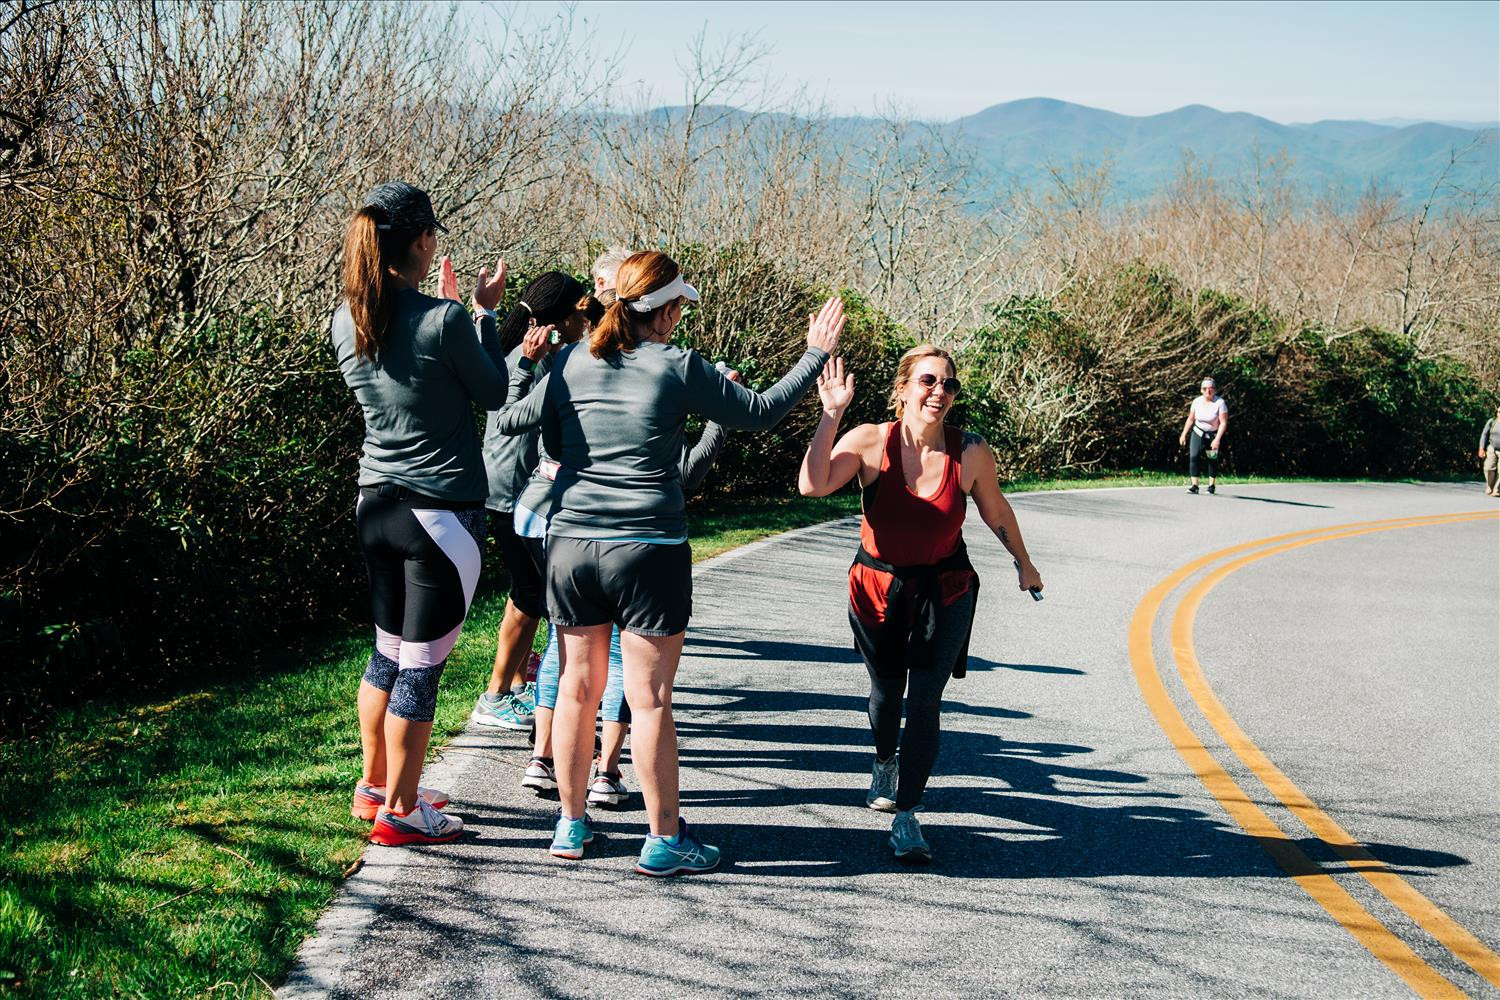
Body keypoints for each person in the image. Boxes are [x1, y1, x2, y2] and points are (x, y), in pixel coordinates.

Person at [507, 250, 842, 874]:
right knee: (651, 696)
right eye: (679, 305)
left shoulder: (571, 361)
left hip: (572, 544)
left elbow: (510, 422)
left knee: (577, 688)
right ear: (662, 310)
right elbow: (762, 413)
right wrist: (813, 354)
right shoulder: (678, 365)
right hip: (650, 548)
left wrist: (527, 374)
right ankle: (662, 841)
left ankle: (569, 826)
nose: (680, 316)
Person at [798, 344, 1043, 863]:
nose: (940, 393)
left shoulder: (970, 451)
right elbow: (812, 484)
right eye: (929, 381)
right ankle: (884, 759)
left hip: (946, 588)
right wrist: (831, 414)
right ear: (903, 388)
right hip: (878, 587)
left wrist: (1023, 562)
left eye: (949, 385)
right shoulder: (869, 441)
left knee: (926, 700)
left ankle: (908, 813)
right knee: (887, 693)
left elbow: (995, 509)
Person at [330, 181, 509, 846]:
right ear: (425, 242)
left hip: (375, 505)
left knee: (386, 653)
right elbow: (495, 391)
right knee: (421, 665)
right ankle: (401, 811)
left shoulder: (345, 320)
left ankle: (374, 785)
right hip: (441, 517)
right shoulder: (445, 320)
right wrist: (483, 316)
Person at [471, 273, 602, 732]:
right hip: (510, 492)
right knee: (529, 596)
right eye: (578, 314)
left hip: (504, 488)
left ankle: (513, 688)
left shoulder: (523, 355)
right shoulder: (535, 362)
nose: (582, 324)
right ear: (560, 317)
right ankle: (495, 694)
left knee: (527, 594)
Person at [1179, 377, 1228, 494]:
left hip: (1212, 434)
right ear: (1201, 390)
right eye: (1205, 389)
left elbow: (1223, 423)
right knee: (1194, 456)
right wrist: (1183, 434)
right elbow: (1191, 419)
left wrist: (1217, 439)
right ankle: (1194, 485)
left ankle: (1211, 485)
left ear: (1214, 390)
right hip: (1198, 431)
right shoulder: (1197, 402)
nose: (1208, 391)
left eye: (1210, 388)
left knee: (1212, 459)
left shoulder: (1220, 403)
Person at [1480, 405, 1500, 497]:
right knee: (1488, 468)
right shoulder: (1492, 422)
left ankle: (1497, 490)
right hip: (1492, 448)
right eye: (1499, 412)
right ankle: (1490, 486)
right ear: (1497, 413)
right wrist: (1481, 448)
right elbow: (1484, 434)